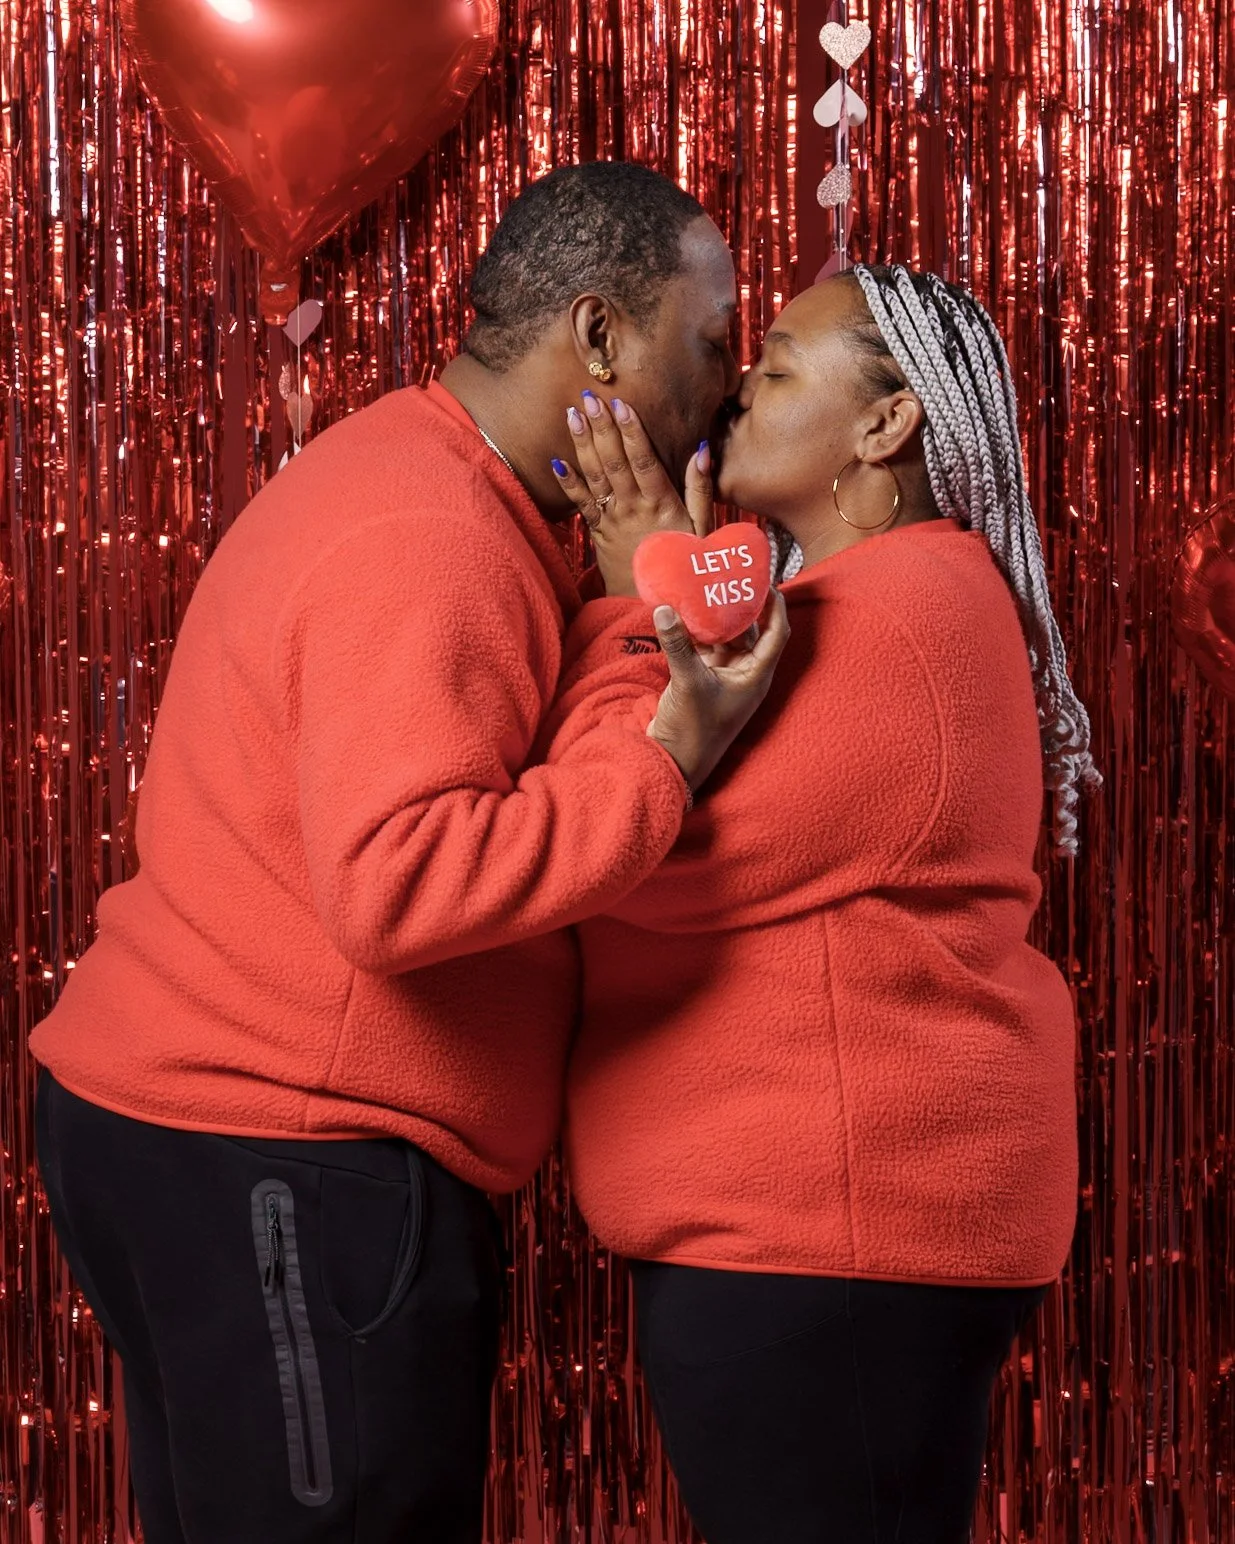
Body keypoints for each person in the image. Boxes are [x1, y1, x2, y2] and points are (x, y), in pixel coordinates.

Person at [28, 161, 787, 1544]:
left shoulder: (430, 478)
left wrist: (625, 602)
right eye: (713, 336)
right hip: (286, 1154)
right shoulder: (430, 536)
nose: (731, 385)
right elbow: (403, 880)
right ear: (600, 337)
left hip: (212, 1135)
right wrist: (670, 742)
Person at [553, 264, 1100, 1544]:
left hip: (832, 1249)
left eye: (783, 365)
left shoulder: (899, 610)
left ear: (885, 423)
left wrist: (632, 589)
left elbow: (635, 850)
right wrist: (682, 589)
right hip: (825, 1243)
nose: (740, 382)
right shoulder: (856, 606)